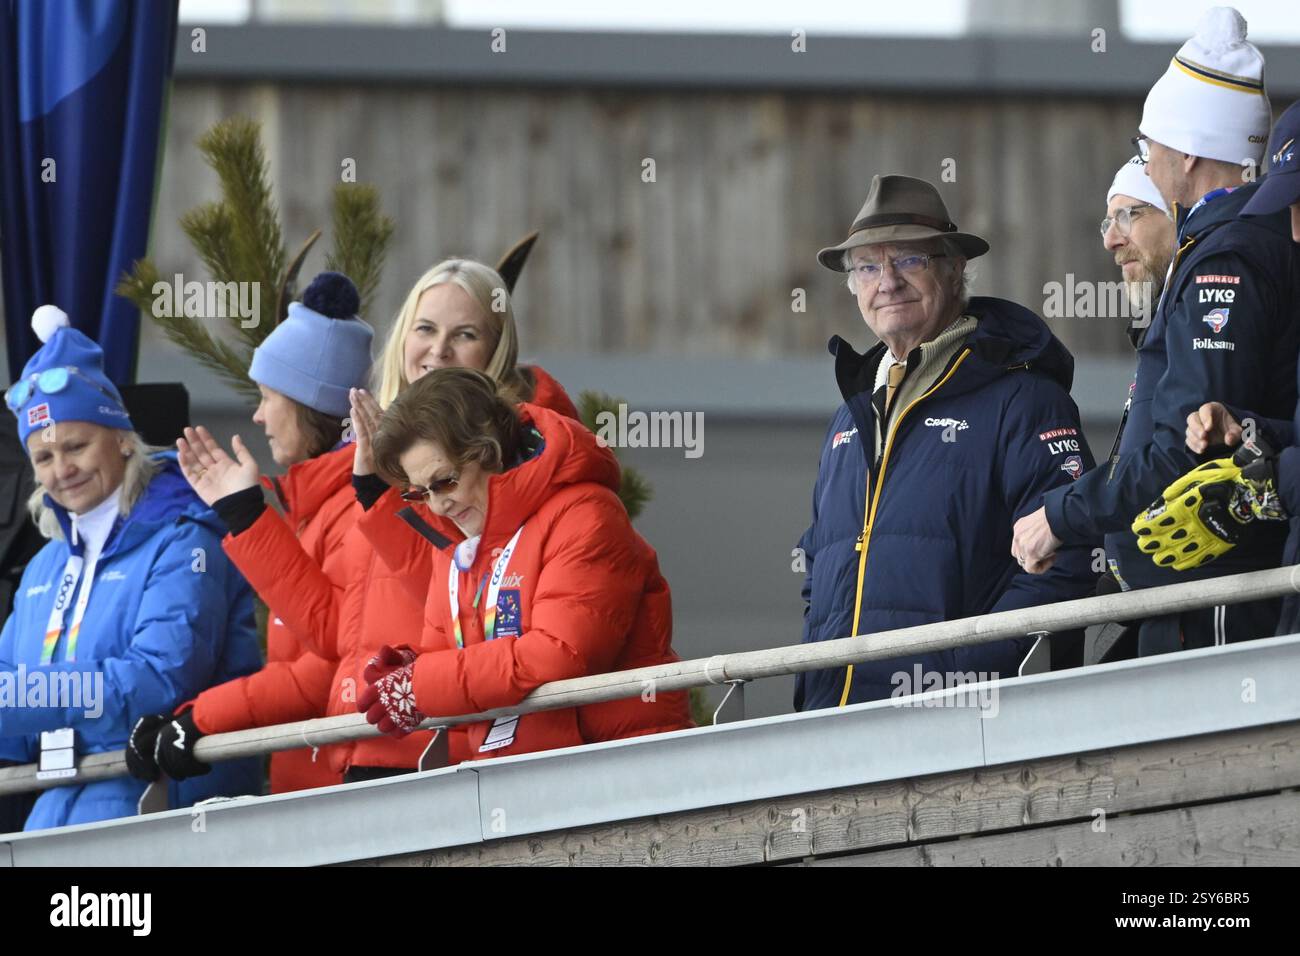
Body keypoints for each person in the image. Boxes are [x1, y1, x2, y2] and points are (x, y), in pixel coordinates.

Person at [1014, 8, 1300, 655]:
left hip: (1214, 598)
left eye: (1149, 147)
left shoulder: (1229, 256)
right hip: (1183, 596)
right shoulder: (1224, 246)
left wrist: (1062, 516)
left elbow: (1190, 441)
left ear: (1188, 151)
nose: (1147, 159)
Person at [794, 174, 1097, 711]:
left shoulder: (1023, 400)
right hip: (836, 731)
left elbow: (1070, 561)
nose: (886, 282)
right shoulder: (849, 418)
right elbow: (820, 571)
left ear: (955, 270)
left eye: (909, 260)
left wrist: (958, 685)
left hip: (968, 735)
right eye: (868, 266)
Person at [0, 306, 261, 829]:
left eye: (76, 446)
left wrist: (27, 698)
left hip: (166, 811)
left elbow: (155, 681)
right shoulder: (44, 568)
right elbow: (17, 722)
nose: (63, 470)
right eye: (44, 458)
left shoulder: (184, 536)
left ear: (121, 437)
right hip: (53, 811)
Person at [349, 367, 692, 754]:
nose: (438, 505)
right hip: (522, 777)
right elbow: (450, 656)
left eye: (445, 481)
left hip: (621, 766)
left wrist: (422, 684)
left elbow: (559, 654)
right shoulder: (456, 542)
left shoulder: (586, 512)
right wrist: (409, 667)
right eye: (419, 494)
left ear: (488, 451)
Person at [126, 271, 372, 794]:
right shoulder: (316, 506)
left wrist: (201, 716)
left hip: (342, 792)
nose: (258, 415)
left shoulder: (359, 507)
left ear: (310, 403)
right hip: (312, 783)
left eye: (266, 396)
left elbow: (331, 664)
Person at [1138, 99, 1300, 634]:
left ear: (1187, 154)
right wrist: (1248, 429)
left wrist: (1266, 484)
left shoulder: (1232, 252)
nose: (1295, 230)